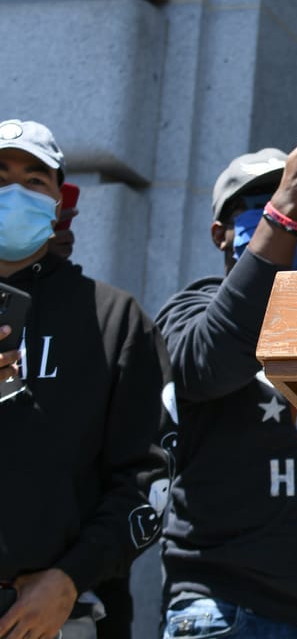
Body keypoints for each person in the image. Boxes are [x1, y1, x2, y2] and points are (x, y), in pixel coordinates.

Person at [156, 121, 297, 638]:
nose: (277, 207)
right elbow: (212, 362)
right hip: (228, 609)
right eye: (255, 202)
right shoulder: (190, 309)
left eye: (292, 200)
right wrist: (287, 206)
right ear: (219, 232)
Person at [0, 118, 171, 639]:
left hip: (61, 617)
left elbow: (149, 478)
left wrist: (71, 577)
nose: (14, 192)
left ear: (58, 202)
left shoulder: (116, 321)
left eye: (34, 181)